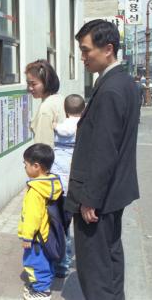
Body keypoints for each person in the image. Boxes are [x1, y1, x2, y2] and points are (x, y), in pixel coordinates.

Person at [65, 19, 140, 300]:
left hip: (99, 197)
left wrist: (90, 198)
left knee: (95, 269)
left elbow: (104, 150)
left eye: (86, 51)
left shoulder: (110, 89)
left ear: (108, 49)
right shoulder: (123, 83)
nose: (82, 57)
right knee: (110, 258)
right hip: (114, 192)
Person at [19, 143, 63, 300]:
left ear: (36, 166)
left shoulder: (35, 191)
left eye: (25, 165)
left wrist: (27, 237)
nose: (24, 168)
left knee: (34, 262)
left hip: (36, 237)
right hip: (47, 232)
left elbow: (32, 216)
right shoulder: (51, 183)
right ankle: (41, 285)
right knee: (45, 261)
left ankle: (41, 291)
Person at [51, 94, 85, 278]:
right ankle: (81, 260)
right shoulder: (85, 127)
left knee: (63, 226)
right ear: (84, 109)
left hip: (60, 186)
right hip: (78, 183)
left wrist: (55, 125)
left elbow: (59, 129)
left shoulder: (61, 127)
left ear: (65, 110)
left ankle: (62, 265)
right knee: (80, 224)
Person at [26, 59, 66, 148]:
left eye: (34, 84)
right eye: (28, 84)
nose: (30, 88)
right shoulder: (60, 98)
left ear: (47, 82)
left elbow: (43, 148)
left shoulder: (46, 108)